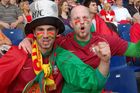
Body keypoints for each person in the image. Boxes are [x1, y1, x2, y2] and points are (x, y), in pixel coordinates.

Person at [19, 4, 140, 92]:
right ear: (70, 23)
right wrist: (29, 38)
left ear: (91, 20)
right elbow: (44, 37)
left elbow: (135, 50)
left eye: (85, 18)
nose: (81, 22)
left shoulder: (106, 40)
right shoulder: (62, 42)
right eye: (77, 19)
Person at [0, 0, 111, 93]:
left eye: (50, 30)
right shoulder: (19, 54)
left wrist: (104, 61)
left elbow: (92, 83)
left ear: (57, 32)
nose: (45, 35)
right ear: (33, 33)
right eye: (40, 30)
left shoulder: (63, 56)